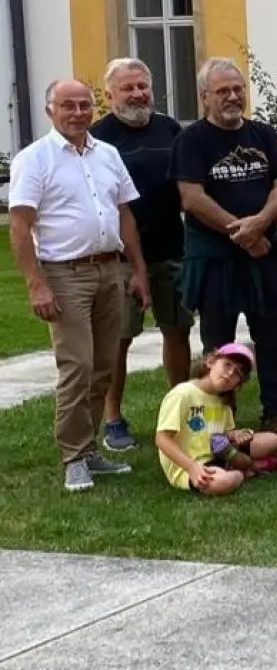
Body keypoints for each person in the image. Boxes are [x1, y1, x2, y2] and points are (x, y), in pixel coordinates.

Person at [9, 79, 148, 491]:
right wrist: (36, 284)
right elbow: (19, 225)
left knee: (104, 365)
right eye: (67, 105)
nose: (77, 112)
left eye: (84, 105)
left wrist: (138, 269)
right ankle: (73, 457)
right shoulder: (35, 159)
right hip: (64, 274)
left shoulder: (107, 154)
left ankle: (89, 451)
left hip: (110, 270)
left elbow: (124, 214)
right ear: (51, 110)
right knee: (77, 366)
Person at [171, 58, 277, 429]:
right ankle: (221, 417)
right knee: (218, 344)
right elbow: (191, 197)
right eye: (223, 91)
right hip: (215, 261)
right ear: (204, 96)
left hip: (264, 256)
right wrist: (240, 233)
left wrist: (260, 224)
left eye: (238, 89)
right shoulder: (190, 140)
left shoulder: (262, 134)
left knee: (272, 337)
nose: (233, 96)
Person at [90, 58, 191, 451]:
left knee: (177, 329)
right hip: (121, 257)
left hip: (172, 248)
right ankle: (113, 418)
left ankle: (178, 407)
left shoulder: (169, 128)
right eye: (128, 88)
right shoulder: (99, 137)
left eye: (142, 86)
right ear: (110, 94)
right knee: (120, 338)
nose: (137, 94)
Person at [154, 344, 277, 495]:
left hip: (219, 454)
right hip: (191, 463)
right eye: (227, 364)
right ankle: (242, 473)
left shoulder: (223, 400)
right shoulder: (182, 394)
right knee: (223, 483)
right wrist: (191, 467)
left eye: (237, 373)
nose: (229, 373)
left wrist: (236, 435)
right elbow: (162, 439)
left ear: (238, 384)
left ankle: (240, 465)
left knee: (273, 440)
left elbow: (222, 436)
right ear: (210, 362)